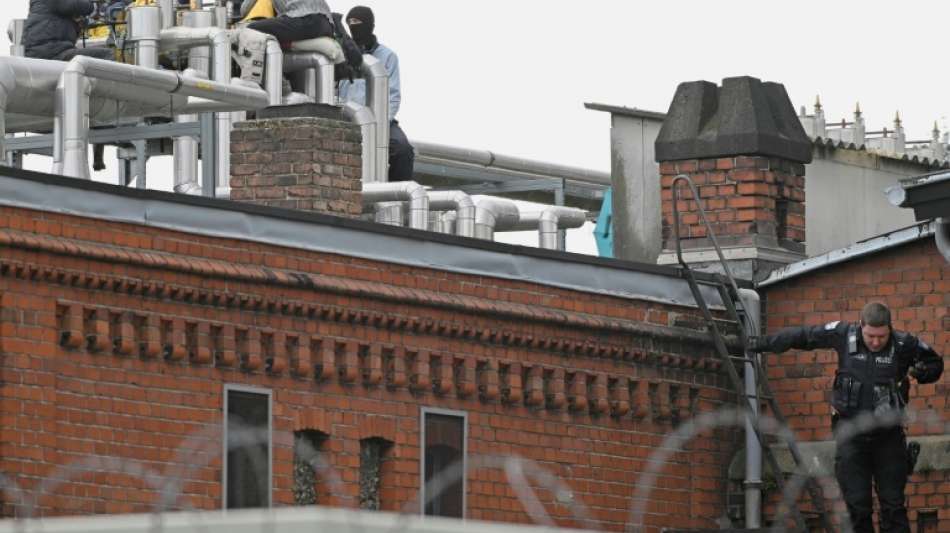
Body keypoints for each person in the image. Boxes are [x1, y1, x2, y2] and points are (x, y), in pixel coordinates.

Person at [749, 302, 943, 533]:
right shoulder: (843, 334)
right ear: (861, 325)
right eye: (870, 335)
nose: (875, 342)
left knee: (893, 506)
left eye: (881, 336)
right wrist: (759, 344)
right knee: (857, 508)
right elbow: (804, 337)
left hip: (888, 438)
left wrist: (924, 373)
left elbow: (935, 363)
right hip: (852, 437)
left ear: (889, 329)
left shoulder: (904, 344)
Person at [337, 5, 414, 181]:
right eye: (350, 23)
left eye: (357, 22)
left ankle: (396, 198)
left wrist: (378, 126)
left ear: (370, 25)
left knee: (403, 150)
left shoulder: (387, 56)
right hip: (345, 118)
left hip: (380, 120)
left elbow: (393, 96)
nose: (353, 26)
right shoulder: (341, 54)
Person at [23, 0, 115, 61]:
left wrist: (79, 23)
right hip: (49, 53)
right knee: (107, 55)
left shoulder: (48, 9)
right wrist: (92, 7)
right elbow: (69, 5)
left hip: (47, 51)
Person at [239, 0, 335, 47]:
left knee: (251, 29)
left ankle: (256, 80)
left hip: (305, 19)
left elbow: (244, 9)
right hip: (327, 24)